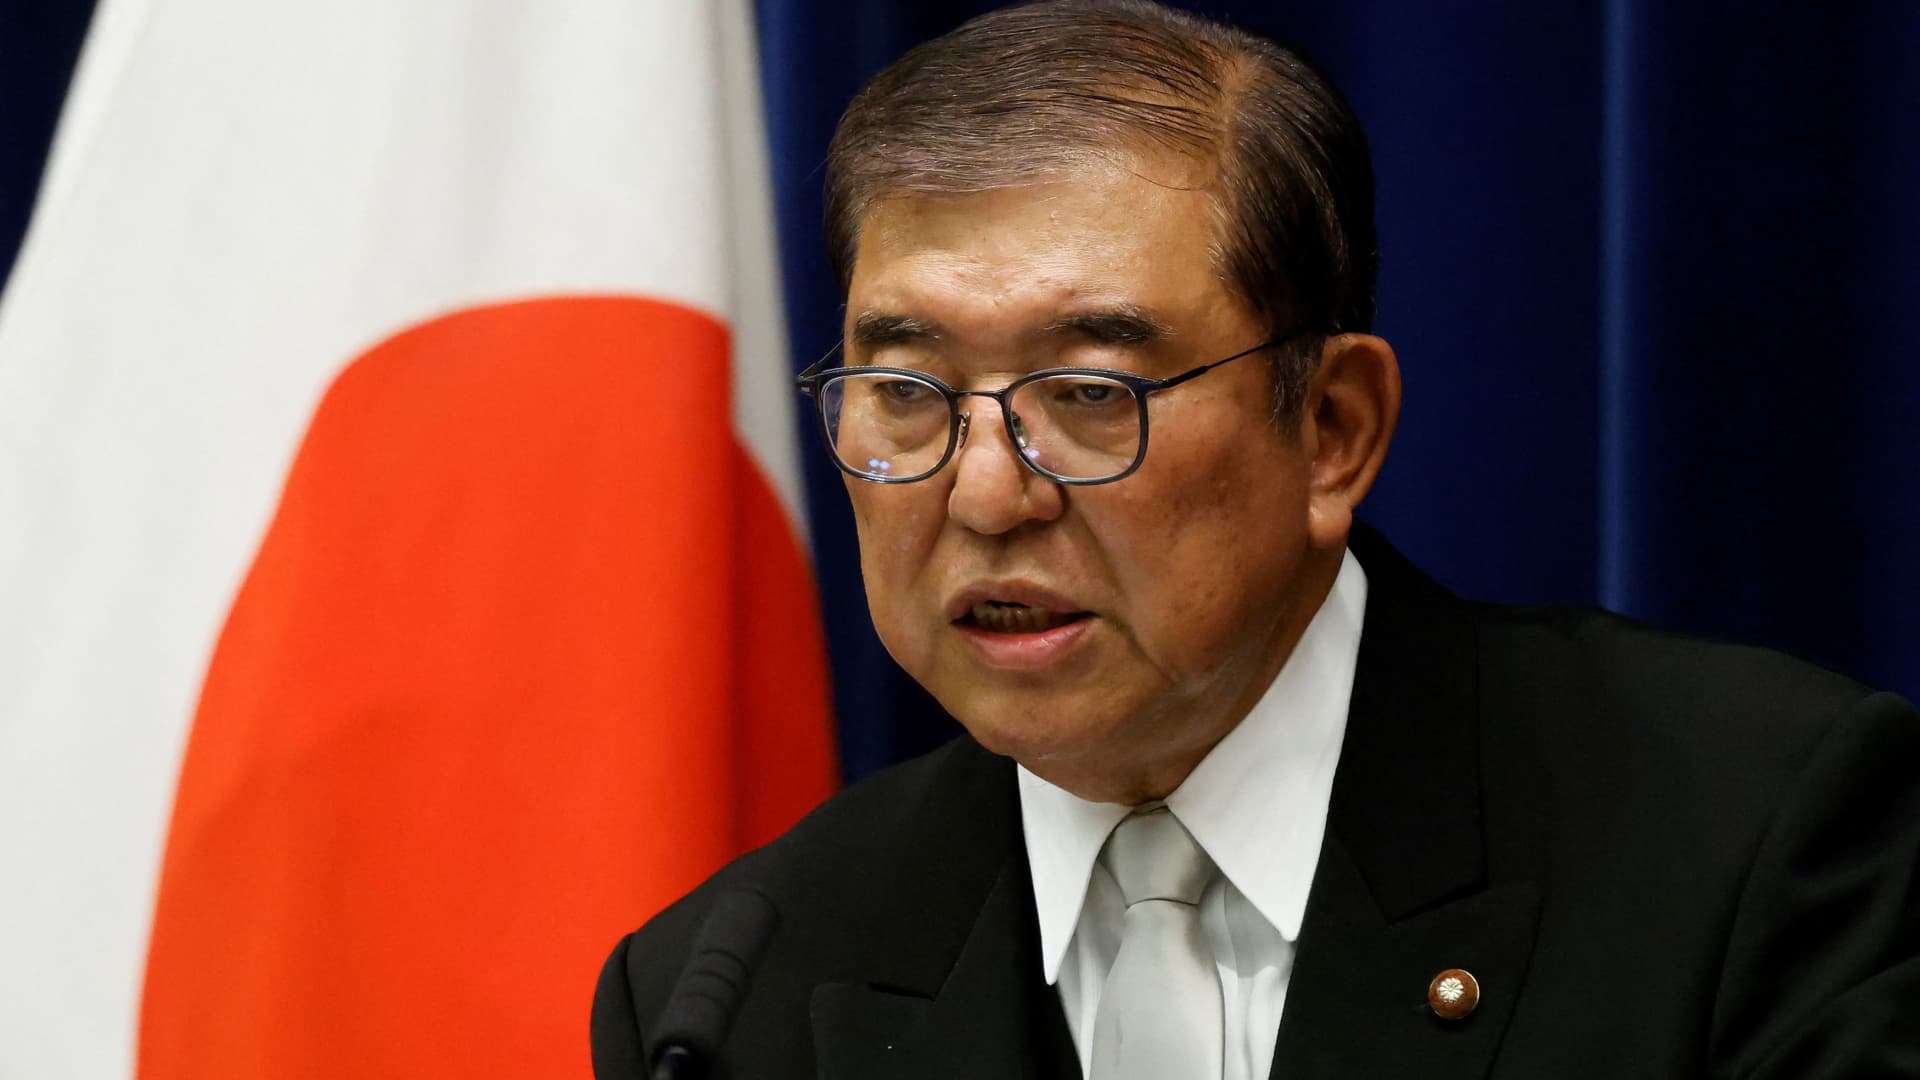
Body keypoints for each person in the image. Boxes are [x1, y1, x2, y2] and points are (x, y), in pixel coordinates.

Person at [591, 2, 1920, 1077]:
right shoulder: (727, 995)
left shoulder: (1757, 847)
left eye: (1090, 393)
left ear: (1333, 429)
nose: (986, 495)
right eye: (906, 390)